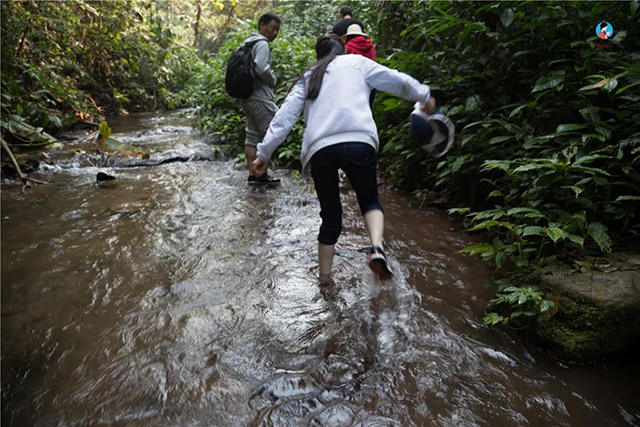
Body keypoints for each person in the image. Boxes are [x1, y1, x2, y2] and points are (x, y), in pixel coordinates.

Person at [252, 34, 436, 294]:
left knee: (330, 217)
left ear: (318, 54)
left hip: (320, 149)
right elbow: (396, 80)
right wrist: (424, 96)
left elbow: (284, 117)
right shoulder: (357, 63)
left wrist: (264, 154)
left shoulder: (310, 75)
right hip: (359, 140)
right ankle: (376, 248)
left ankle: (325, 283)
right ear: (342, 49)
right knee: (370, 200)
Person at [241, 13, 282, 184]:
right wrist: (273, 79)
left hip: (247, 96)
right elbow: (261, 68)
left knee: (252, 135)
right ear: (262, 25)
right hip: (260, 96)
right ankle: (262, 174)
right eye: (273, 28)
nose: (275, 33)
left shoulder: (247, 43)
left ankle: (253, 174)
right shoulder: (262, 43)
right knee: (271, 133)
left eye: (277, 30)